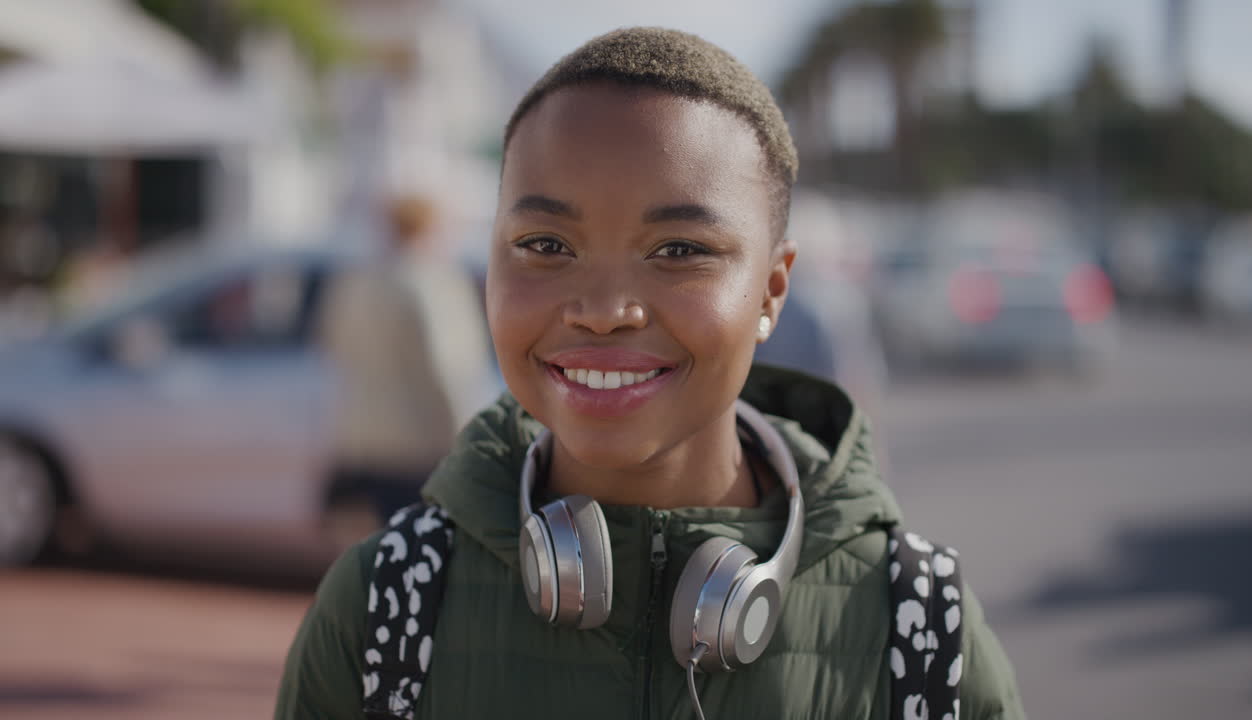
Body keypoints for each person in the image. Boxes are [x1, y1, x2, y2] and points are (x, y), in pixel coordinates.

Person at [278, 28, 1024, 719]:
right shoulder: (384, 609)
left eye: (678, 251)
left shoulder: (921, 628)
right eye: (545, 244)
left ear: (771, 291)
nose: (603, 310)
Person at [318, 193, 491, 526]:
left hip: (361, 440)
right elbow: (448, 371)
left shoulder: (356, 281)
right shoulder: (432, 284)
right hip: (418, 446)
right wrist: (469, 443)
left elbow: (333, 349)